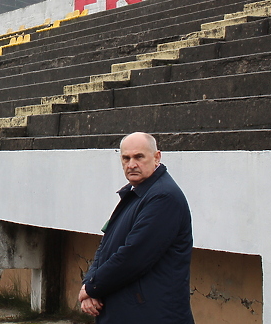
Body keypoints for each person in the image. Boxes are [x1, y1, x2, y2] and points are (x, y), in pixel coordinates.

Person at [78, 132, 194, 323]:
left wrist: (92, 288)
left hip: (151, 314)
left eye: (139, 157)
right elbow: (106, 246)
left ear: (157, 157)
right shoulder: (137, 194)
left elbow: (134, 256)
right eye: (126, 158)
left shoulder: (163, 197)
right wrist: (90, 284)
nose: (131, 164)